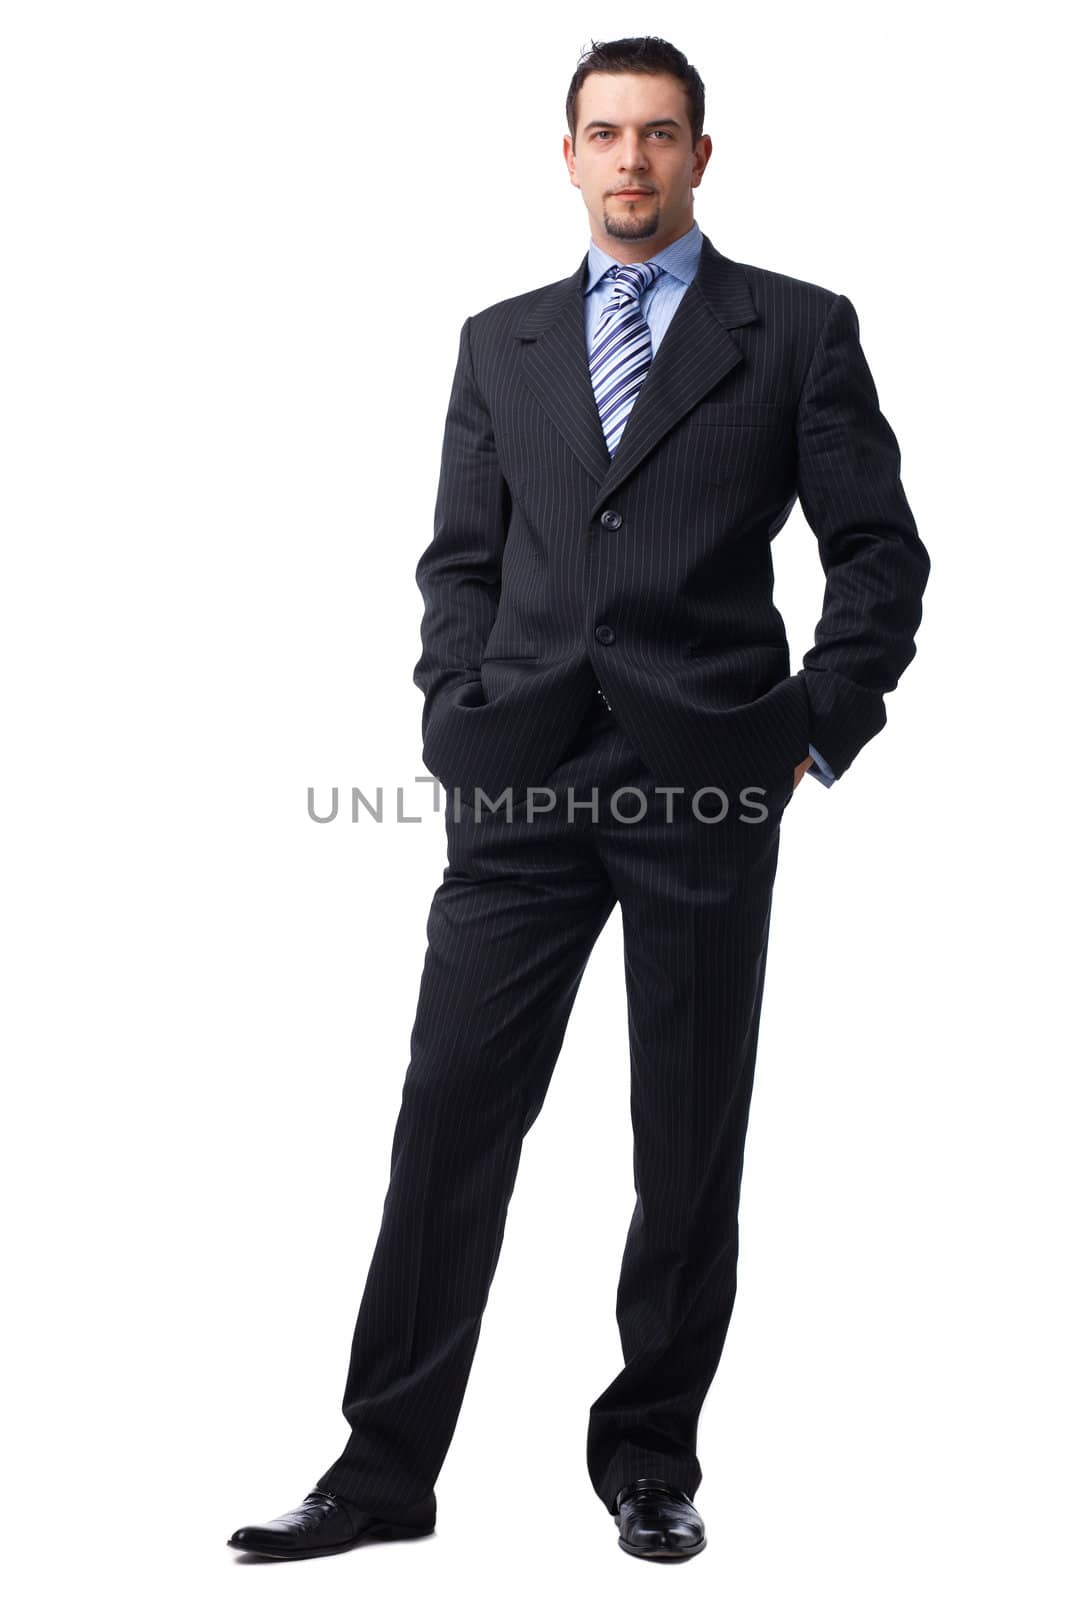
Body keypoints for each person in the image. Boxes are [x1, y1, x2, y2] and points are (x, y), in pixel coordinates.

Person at [228, 34, 930, 1565]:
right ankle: (380, 1472)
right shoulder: (502, 343)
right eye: (605, 134)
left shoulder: (797, 332)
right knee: (450, 1120)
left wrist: (812, 732)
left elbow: (879, 555)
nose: (631, 161)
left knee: (685, 1143)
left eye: (660, 135)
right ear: (567, 155)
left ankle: (651, 1460)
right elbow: (459, 563)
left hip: (707, 786)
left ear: (699, 156)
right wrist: (453, 715)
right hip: (522, 787)